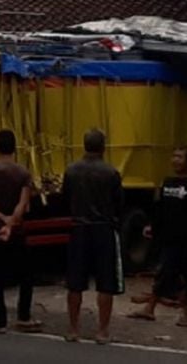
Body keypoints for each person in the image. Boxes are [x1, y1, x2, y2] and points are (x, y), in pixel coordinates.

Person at [129, 147, 187, 327]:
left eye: (179, 157)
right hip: (169, 240)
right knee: (163, 273)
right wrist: (152, 226)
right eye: (174, 156)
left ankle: (186, 315)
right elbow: (161, 209)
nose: (175, 160)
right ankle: (149, 310)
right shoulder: (168, 182)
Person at [63, 128, 124, 344]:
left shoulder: (71, 170)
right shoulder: (111, 173)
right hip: (103, 229)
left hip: (79, 228)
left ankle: (73, 329)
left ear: (84, 145)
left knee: (75, 283)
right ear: (103, 147)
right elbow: (119, 204)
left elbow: (65, 198)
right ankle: (102, 331)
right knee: (106, 283)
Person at [0, 130, 42, 334]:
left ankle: (0, 322)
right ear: (14, 146)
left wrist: (1, 220)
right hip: (17, 231)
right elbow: (22, 204)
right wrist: (11, 223)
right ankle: (23, 316)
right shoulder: (22, 173)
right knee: (26, 274)